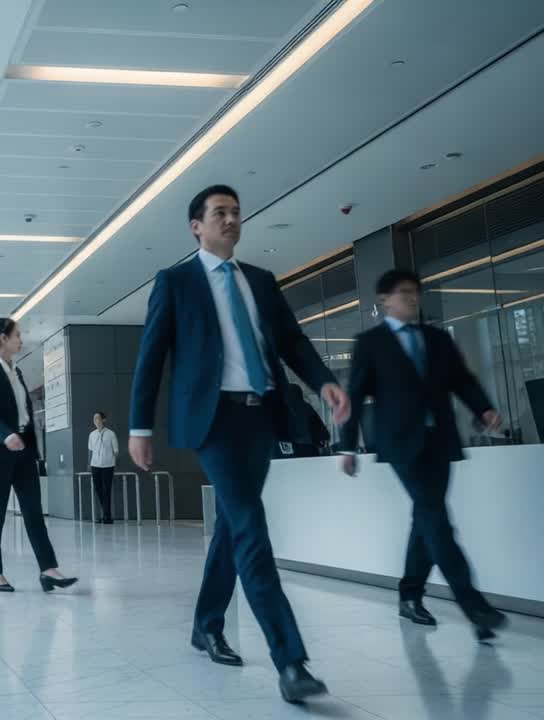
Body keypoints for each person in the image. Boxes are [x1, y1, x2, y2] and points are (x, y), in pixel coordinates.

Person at [127, 185, 349, 703]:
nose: (230, 219)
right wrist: (139, 428)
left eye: (235, 212)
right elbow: (150, 357)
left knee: (233, 523)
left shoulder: (260, 281)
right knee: (251, 527)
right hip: (214, 421)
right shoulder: (176, 282)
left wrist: (323, 381)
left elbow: (291, 340)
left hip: (261, 417)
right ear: (196, 227)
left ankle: (206, 623)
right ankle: (290, 661)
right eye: (219, 213)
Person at [338, 269, 508, 640]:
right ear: (384, 300)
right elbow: (355, 395)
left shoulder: (437, 338)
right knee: (436, 518)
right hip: (400, 443)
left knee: (426, 519)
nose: (412, 298)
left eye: (415, 292)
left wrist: (483, 409)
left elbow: (461, 380)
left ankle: (410, 595)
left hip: (439, 440)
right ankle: (474, 607)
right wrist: (348, 446)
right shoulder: (370, 343)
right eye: (404, 292)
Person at [0, 318, 77, 595]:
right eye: (17, 335)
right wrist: (5, 434)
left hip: (23, 449)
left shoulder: (16, 370)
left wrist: (31, 444)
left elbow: (24, 412)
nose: (21, 339)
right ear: (3, 338)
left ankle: (48, 569)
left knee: (33, 511)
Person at [88, 412, 120, 523]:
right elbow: (90, 450)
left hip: (108, 466)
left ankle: (107, 516)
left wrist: (111, 458)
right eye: (94, 419)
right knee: (98, 490)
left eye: (97, 418)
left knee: (107, 490)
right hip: (95, 465)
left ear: (103, 420)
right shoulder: (92, 435)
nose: (95, 421)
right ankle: (106, 514)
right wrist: (89, 464)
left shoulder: (111, 434)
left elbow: (116, 450)